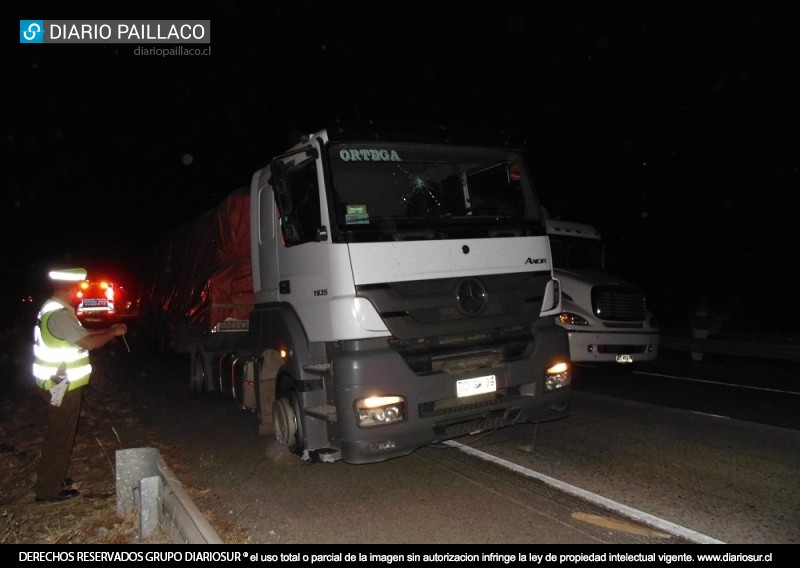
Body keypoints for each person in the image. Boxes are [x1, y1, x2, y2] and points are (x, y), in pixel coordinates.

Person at [31, 267, 128, 502]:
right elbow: (89, 342)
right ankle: (49, 490)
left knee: (60, 433)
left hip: (56, 383)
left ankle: (53, 478)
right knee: (60, 435)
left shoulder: (53, 309)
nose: (78, 291)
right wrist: (112, 331)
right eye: (76, 287)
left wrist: (107, 330)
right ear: (70, 288)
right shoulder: (60, 315)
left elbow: (80, 334)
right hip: (61, 385)